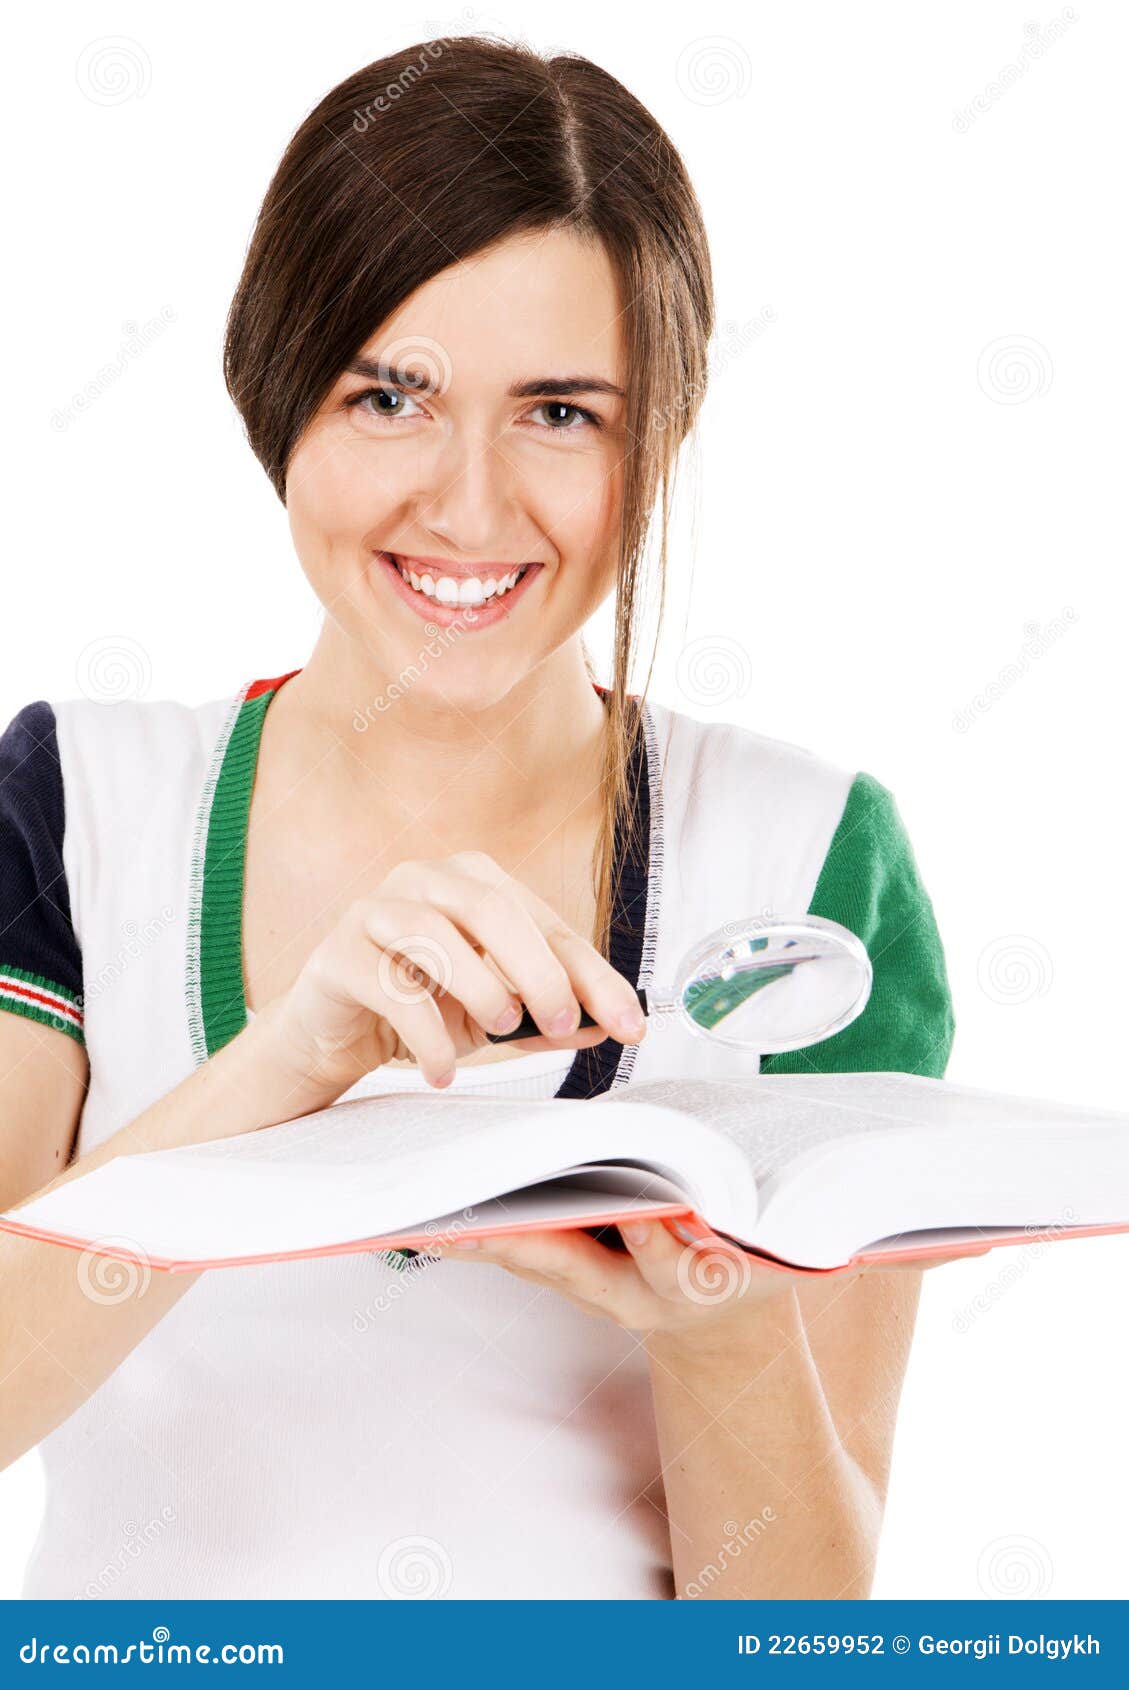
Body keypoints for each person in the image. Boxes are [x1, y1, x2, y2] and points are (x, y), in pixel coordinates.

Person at [0, 35, 966, 1601]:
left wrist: (718, 1327)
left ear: (654, 441)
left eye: (562, 413)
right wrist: (285, 1065)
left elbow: (795, 1620)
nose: (467, 505)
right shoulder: (73, 802)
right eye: (392, 394)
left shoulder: (813, 858)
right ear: (275, 393)